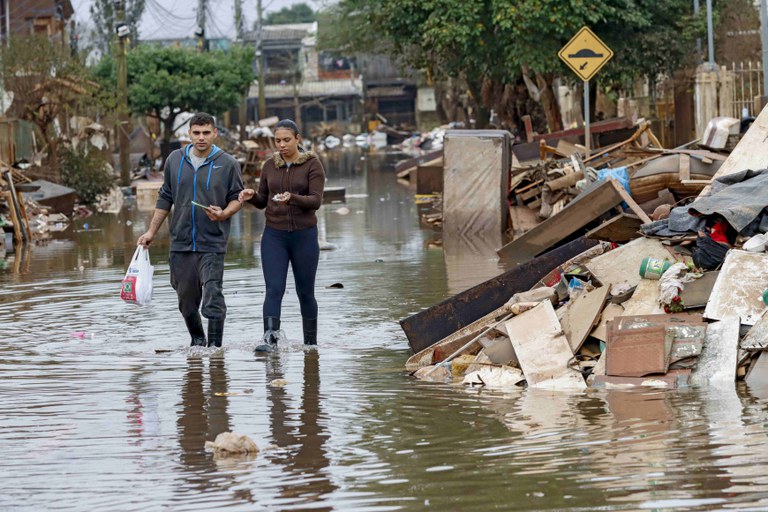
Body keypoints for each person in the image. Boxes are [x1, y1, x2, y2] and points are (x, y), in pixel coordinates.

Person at [137, 112, 243, 348]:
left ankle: (215, 350)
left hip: (212, 242)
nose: (201, 138)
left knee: (213, 296)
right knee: (186, 301)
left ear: (215, 133)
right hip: (181, 242)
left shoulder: (228, 163)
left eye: (206, 133)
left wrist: (224, 213)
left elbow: (237, 198)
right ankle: (197, 341)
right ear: (189, 134)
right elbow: (165, 197)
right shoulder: (174, 160)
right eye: (197, 133)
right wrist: (151, 232)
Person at [238, 119, 325, 351]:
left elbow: (316, 201)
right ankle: (270, 339)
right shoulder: (269, 166)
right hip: (274, 236)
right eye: (278, 141)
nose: (282, 145)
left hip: (304, 236)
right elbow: (262, 201)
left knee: (305, 292)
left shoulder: (312, 165)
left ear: (298, 139)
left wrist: (292, 198)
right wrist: (251, 195)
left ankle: (310, 344)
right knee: (273, 288)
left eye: (287, 140)